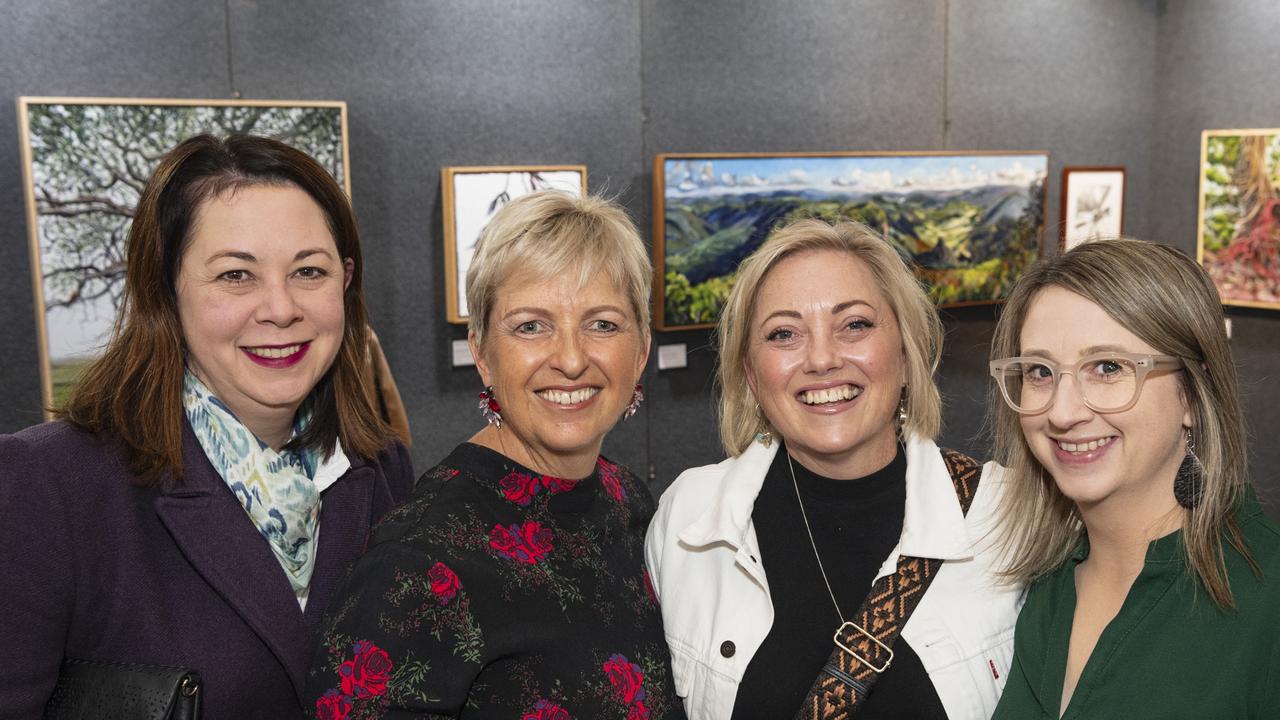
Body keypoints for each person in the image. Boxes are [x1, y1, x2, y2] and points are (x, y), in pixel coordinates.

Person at [0, 134, 415, 719]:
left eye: (309, 270)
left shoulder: (384, 467)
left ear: (345, 280)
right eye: (235, 276)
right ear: (166, 290)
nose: (280, 307)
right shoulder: (44, 487)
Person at [304, 191, 684, 719]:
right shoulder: (416, 566)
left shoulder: (630, 503)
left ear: (640, 350)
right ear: (481, 352)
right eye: (531, 326)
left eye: (603, 324)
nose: (571, 359)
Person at [646, 219, 1021, 720]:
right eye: (784, 334)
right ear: (752, 376)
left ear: (907, 354)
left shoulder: (1008, 518)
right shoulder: (687, 519)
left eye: (855, 325)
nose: (821, 359)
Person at [988, 238, 1280, 719]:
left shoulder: (1266, 597)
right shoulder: (1042, 590)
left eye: (1107, 368)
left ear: (1191, 393)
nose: (1062, 412)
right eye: (1040, 371)